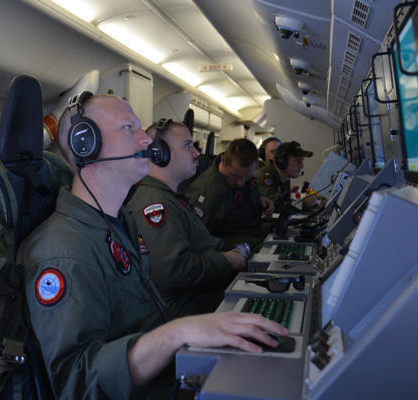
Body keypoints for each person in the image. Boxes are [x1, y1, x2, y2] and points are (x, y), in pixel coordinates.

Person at [18, 94, 288, 399]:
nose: (146, 140)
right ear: (86, 144)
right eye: (128, 128)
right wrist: (176, 333)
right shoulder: (64, 253)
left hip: (172, 375)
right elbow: (78, 385)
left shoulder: (119, 223)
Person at [125, 118, 246, 320]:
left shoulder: (169, 198)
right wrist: (226, 261)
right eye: (187, 145)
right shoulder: (154, 205)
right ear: (159, 153)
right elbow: (176, 270)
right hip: (183, 314)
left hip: (197, 303)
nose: (196, 153)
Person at [185, 138, 274, 251]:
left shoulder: (240, 172)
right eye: (235, 176)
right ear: (223, 160)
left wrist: (259, 200)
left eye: (247, 177)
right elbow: (199, 240)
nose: (241, 183)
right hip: (230, 249)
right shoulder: (207, 193)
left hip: (253, 234)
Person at [254, 141, 314, 212]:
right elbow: (277, 205)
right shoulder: (263, 177)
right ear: (282, 162)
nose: (302, 166)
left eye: (302, 161)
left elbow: (285, 202)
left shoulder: (284, 177)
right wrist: (305, 204)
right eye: (297, 161)